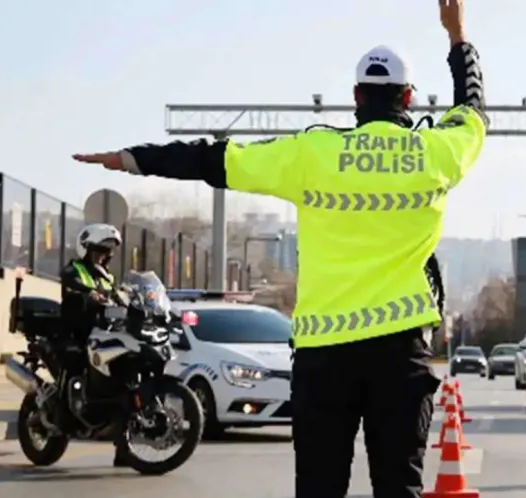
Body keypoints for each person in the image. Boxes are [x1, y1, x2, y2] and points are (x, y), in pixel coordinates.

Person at [71, 0, 486, 494]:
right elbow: (473, 110)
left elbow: (214, 159)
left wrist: (133, 158)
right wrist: (457, 35)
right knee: (400, 487)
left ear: (356, 96)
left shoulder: (312, 153)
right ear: (409, 98)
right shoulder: (436, 153)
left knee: (318, 488)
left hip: (324, 357)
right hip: (400, 353)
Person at [59, 223, 128, 467]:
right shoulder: (74, 269)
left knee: (122, 382)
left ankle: (124, 449)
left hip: (102, 334)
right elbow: (70, 280)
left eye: (106, 252)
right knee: (74, 363)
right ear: (86, 249)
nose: (102, 255)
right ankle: (65, 412)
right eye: (98, 250)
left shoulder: (108, 276)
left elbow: (119, 296)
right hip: (76, 332)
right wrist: (89, 293)